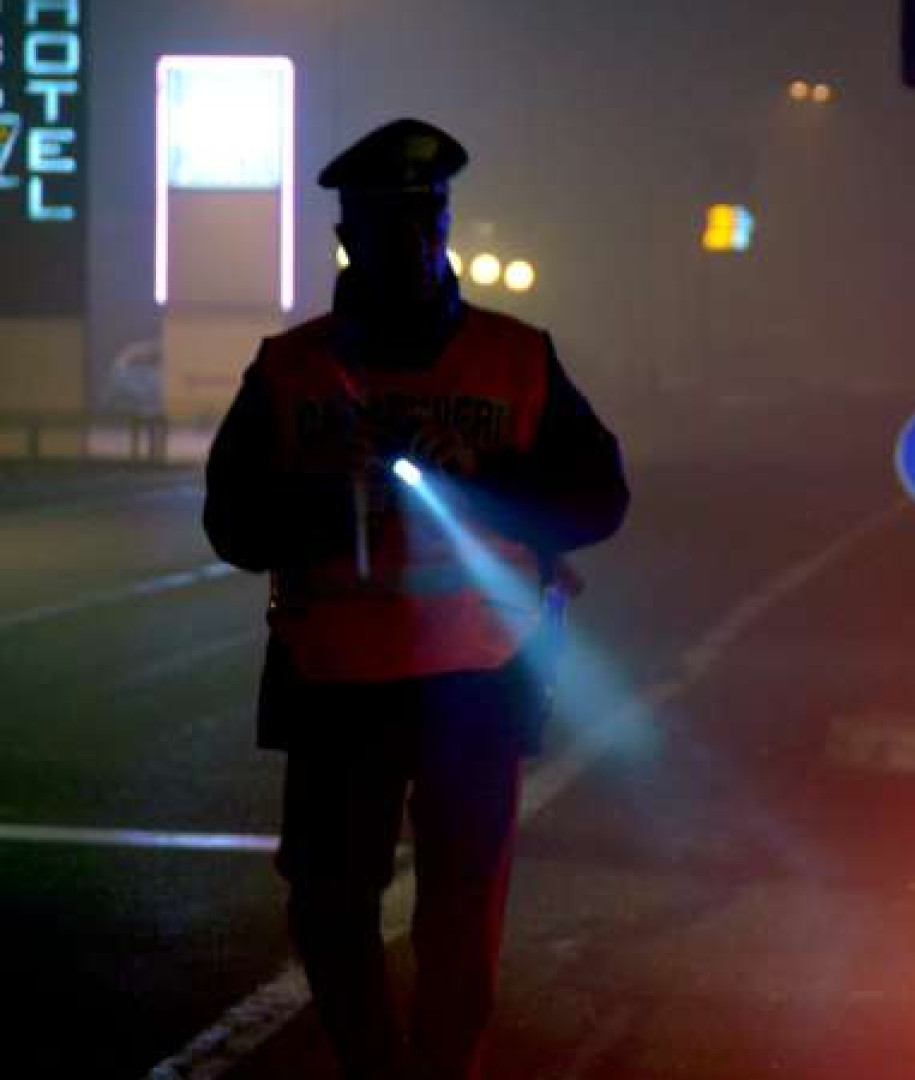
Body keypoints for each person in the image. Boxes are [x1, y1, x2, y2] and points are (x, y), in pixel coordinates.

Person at [202, 117, 629, 1080]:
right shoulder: (291, 368)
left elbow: (601, 499)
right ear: (349, 235)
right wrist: (326, 499)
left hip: (475, 685)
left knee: (461, 918)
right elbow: (231, 525)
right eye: (391, 223)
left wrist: (481, 478)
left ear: (445, 225)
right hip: (335, 688)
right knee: (328, 905)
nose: (415, 241)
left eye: (428, 217)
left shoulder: (517, 357)